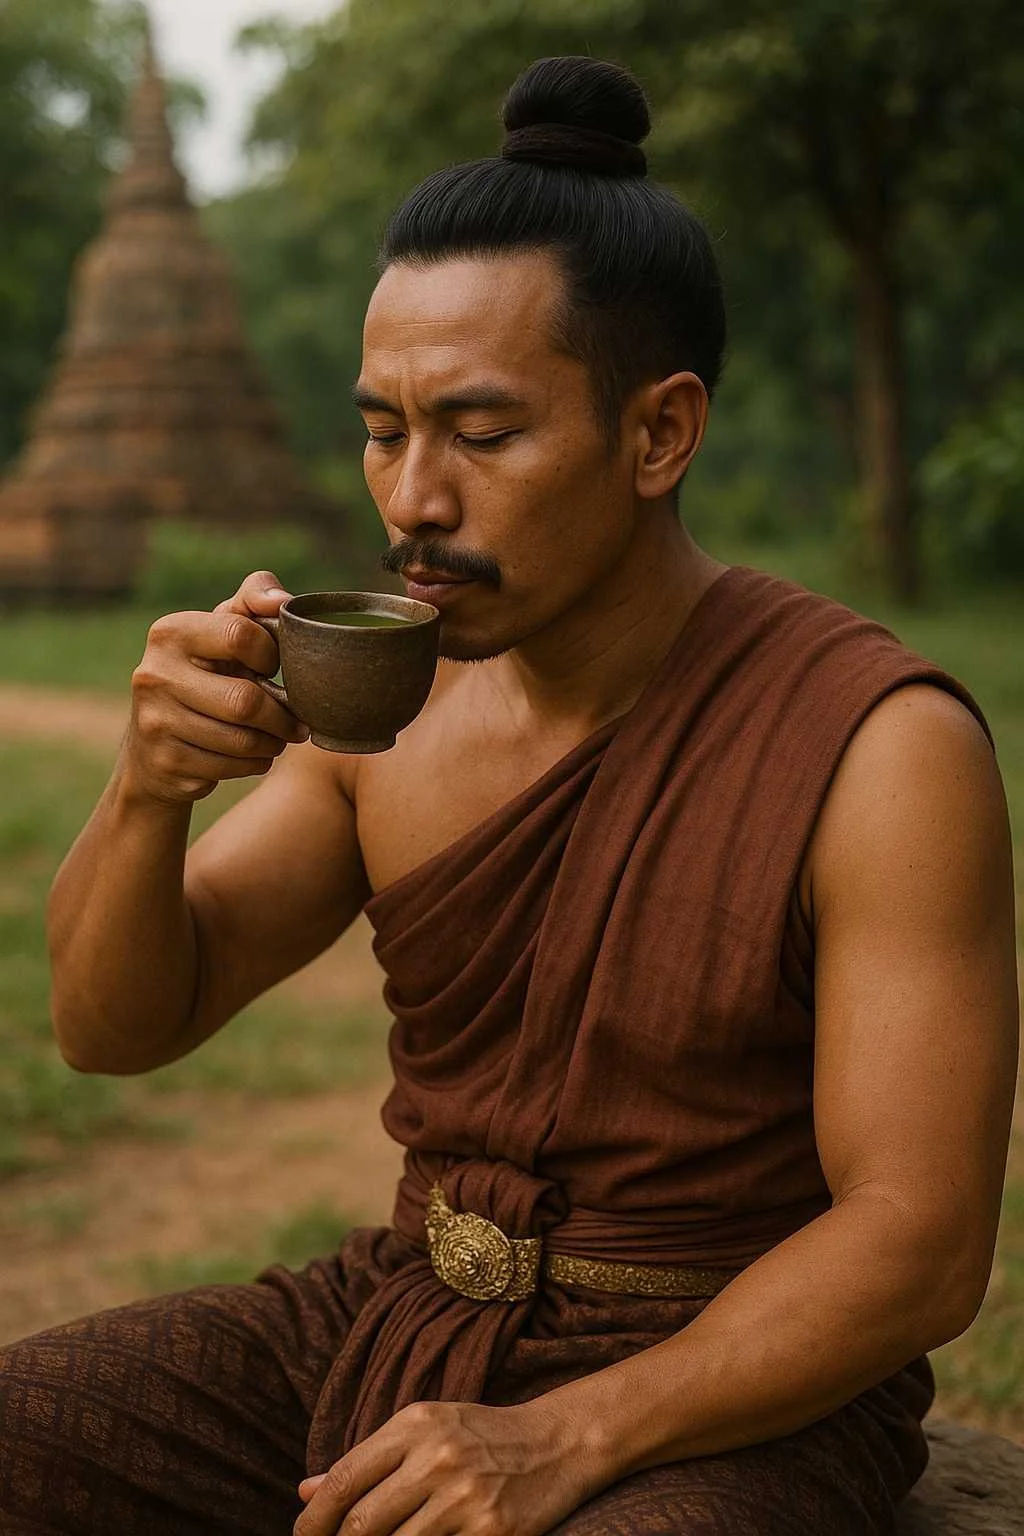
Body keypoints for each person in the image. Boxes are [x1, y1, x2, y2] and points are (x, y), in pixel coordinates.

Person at [0, 54, 1017, 1536]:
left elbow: (920, 1244)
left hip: (732, 1384)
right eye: (382, 430)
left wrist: (562, 1436)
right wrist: (148, 790)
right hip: (406, 1309)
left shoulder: (878, 746)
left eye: (482, 436)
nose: (414, 499)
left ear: (659, 434)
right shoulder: (389, 714)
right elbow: (116, 1027)